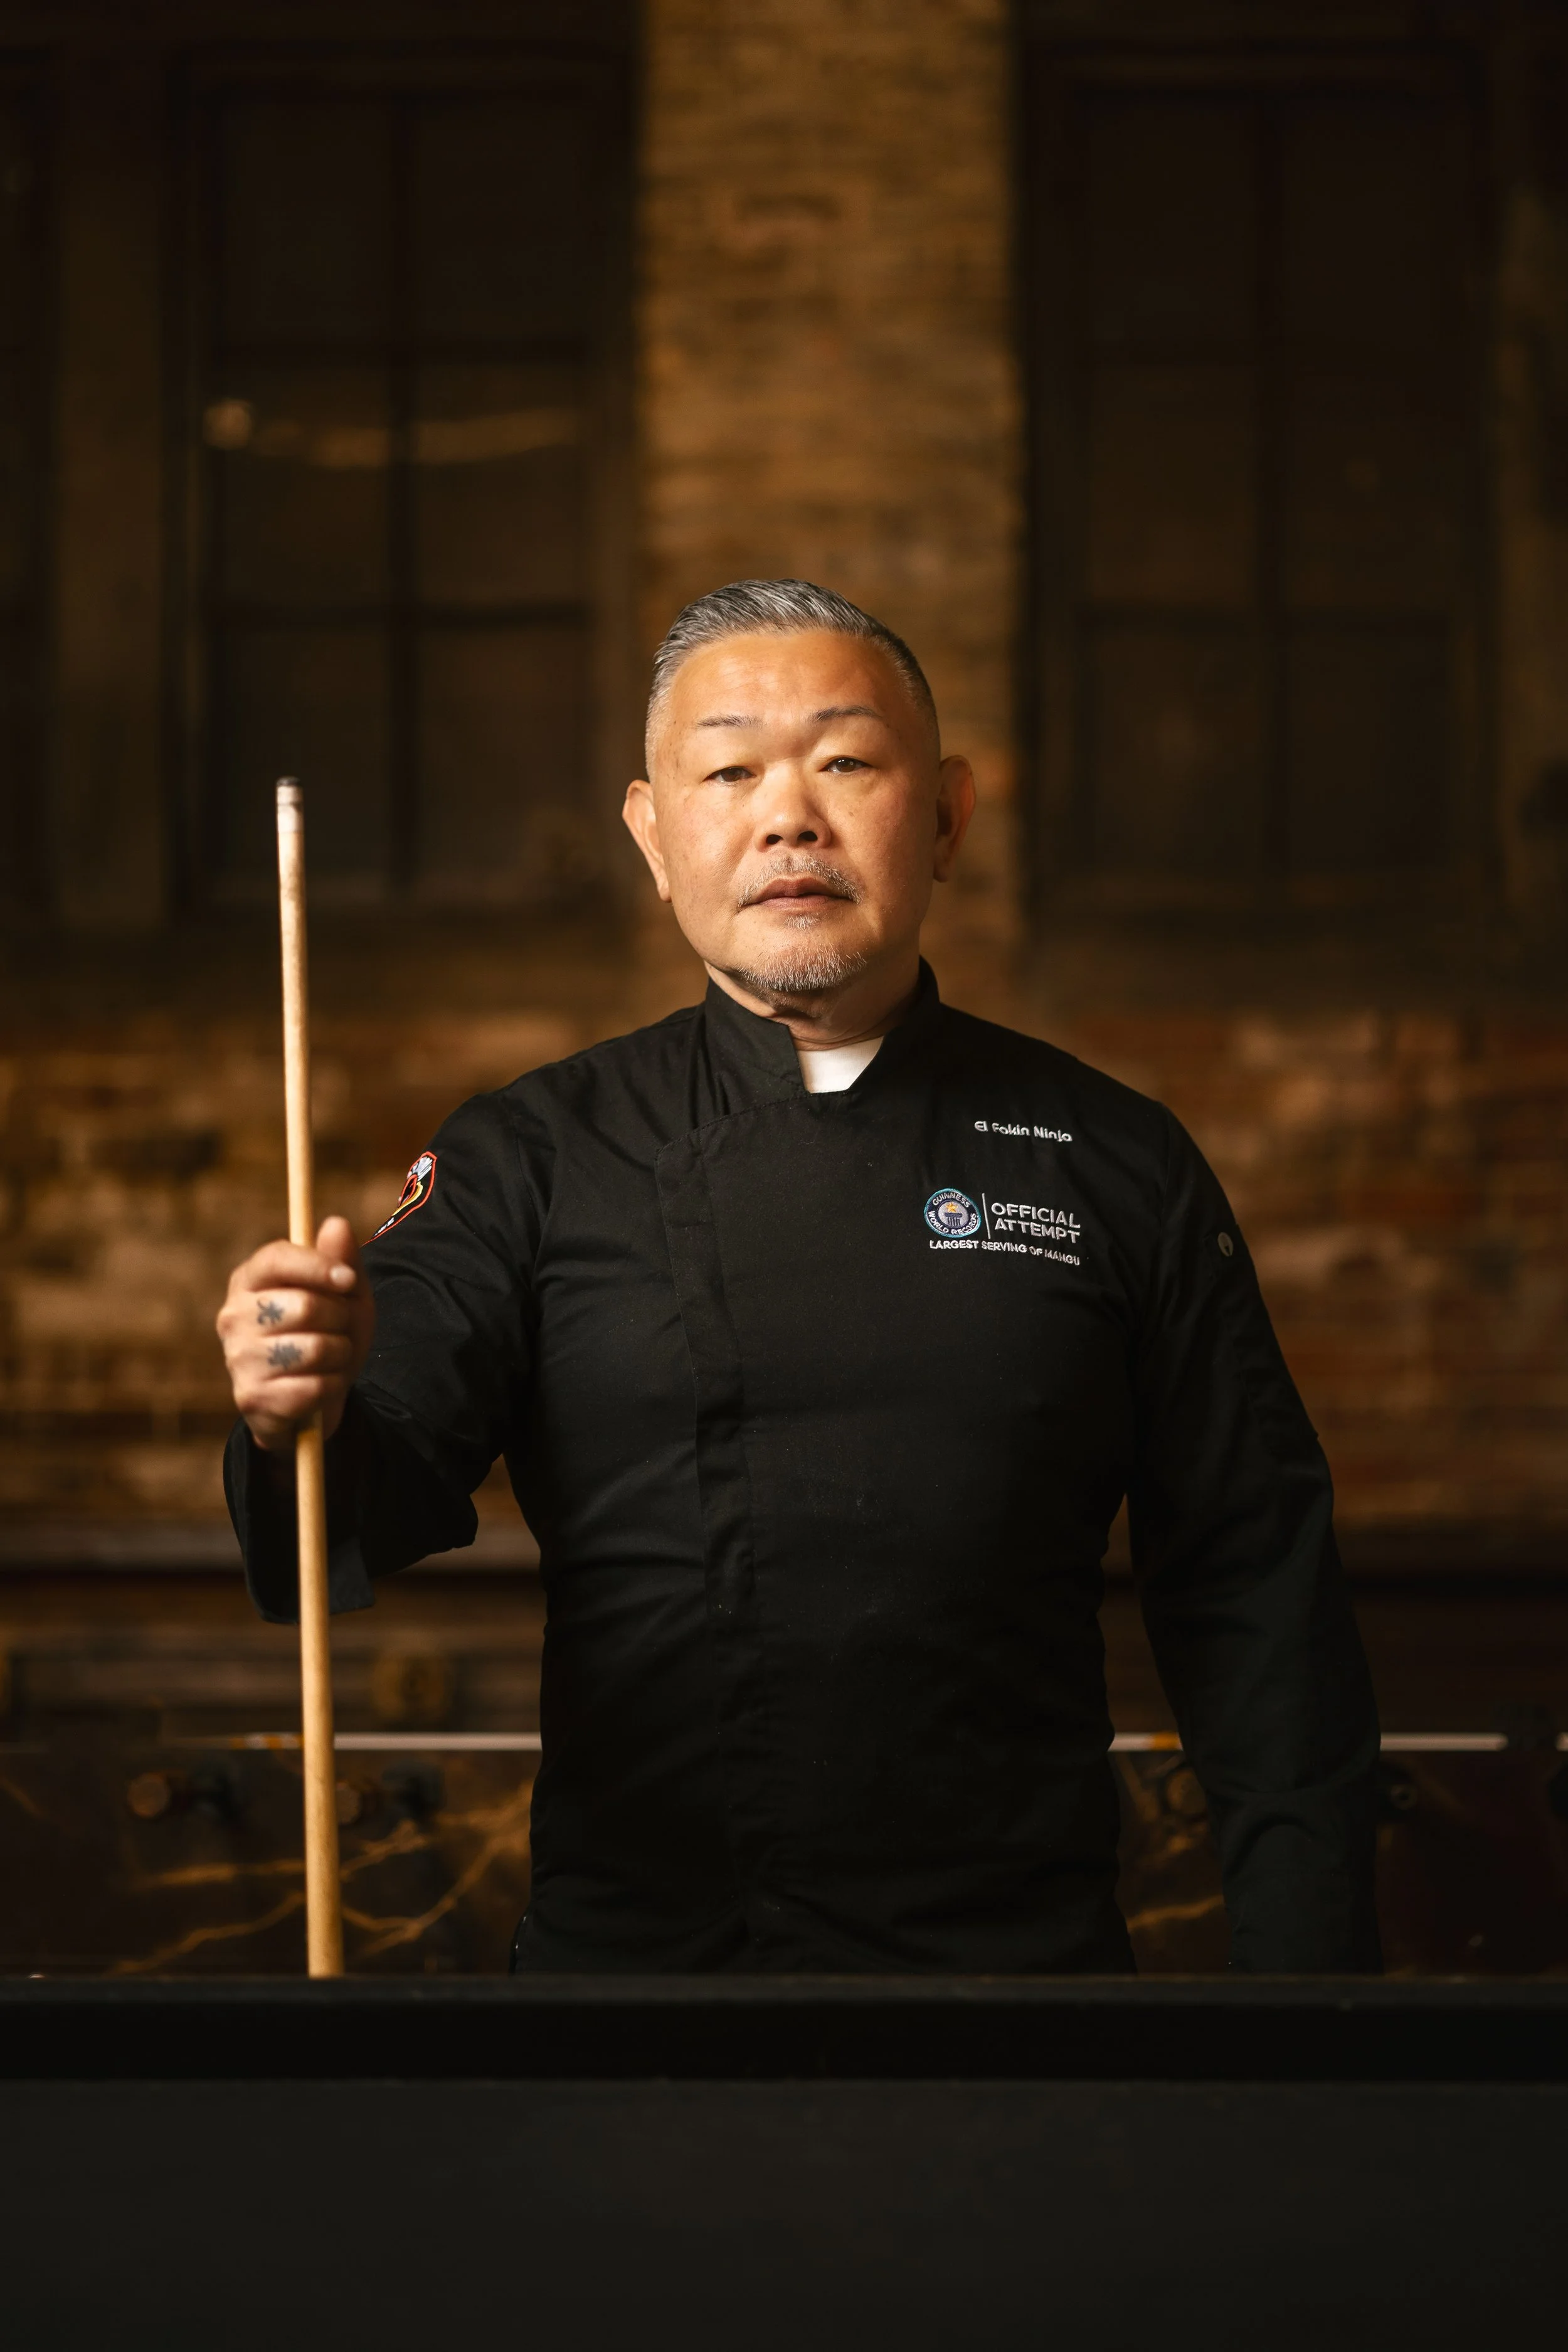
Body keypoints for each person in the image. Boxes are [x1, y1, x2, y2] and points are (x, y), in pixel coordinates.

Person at [219, 578, 1380, 1974]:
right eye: (726, 771)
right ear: (653, 837)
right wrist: (302, 1399)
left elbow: (1258, 1597)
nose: (787, 817)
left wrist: (1310, 2002)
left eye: (843, 762)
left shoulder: (1112, 1159)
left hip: (1022, 1997)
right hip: (629, 1994)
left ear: (944, 814)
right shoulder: (530, 1153)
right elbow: (359, 1490)